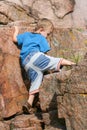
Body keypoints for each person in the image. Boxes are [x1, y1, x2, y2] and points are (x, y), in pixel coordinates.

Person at [13, 18, 76, 114]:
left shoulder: (26, 35)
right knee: (55, 60)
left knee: (36, 81)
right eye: (48, 34)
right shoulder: (41, 38)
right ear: (41, 30)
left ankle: (29, 103)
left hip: (26, 63)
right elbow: (45, 53)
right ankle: (74, 64)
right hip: (36, 57)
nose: (47, 37)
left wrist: (16, 30)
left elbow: (14, 39)